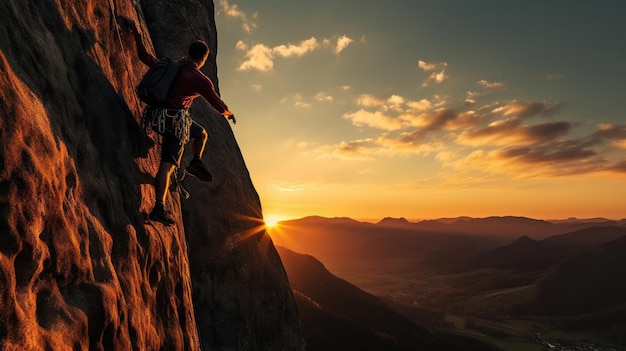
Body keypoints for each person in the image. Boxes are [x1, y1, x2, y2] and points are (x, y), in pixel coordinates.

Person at [128, 23, 235, 225]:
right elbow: (216, 103)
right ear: (203, 58)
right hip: (175, 123)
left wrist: (136, 35)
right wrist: (229, 113)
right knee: (167, 166)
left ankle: (196, 161)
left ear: (189, 53)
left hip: (158, 116)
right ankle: (159, 207)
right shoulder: (200, 79)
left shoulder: (170, 66)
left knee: (201, 133)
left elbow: (146, 58)